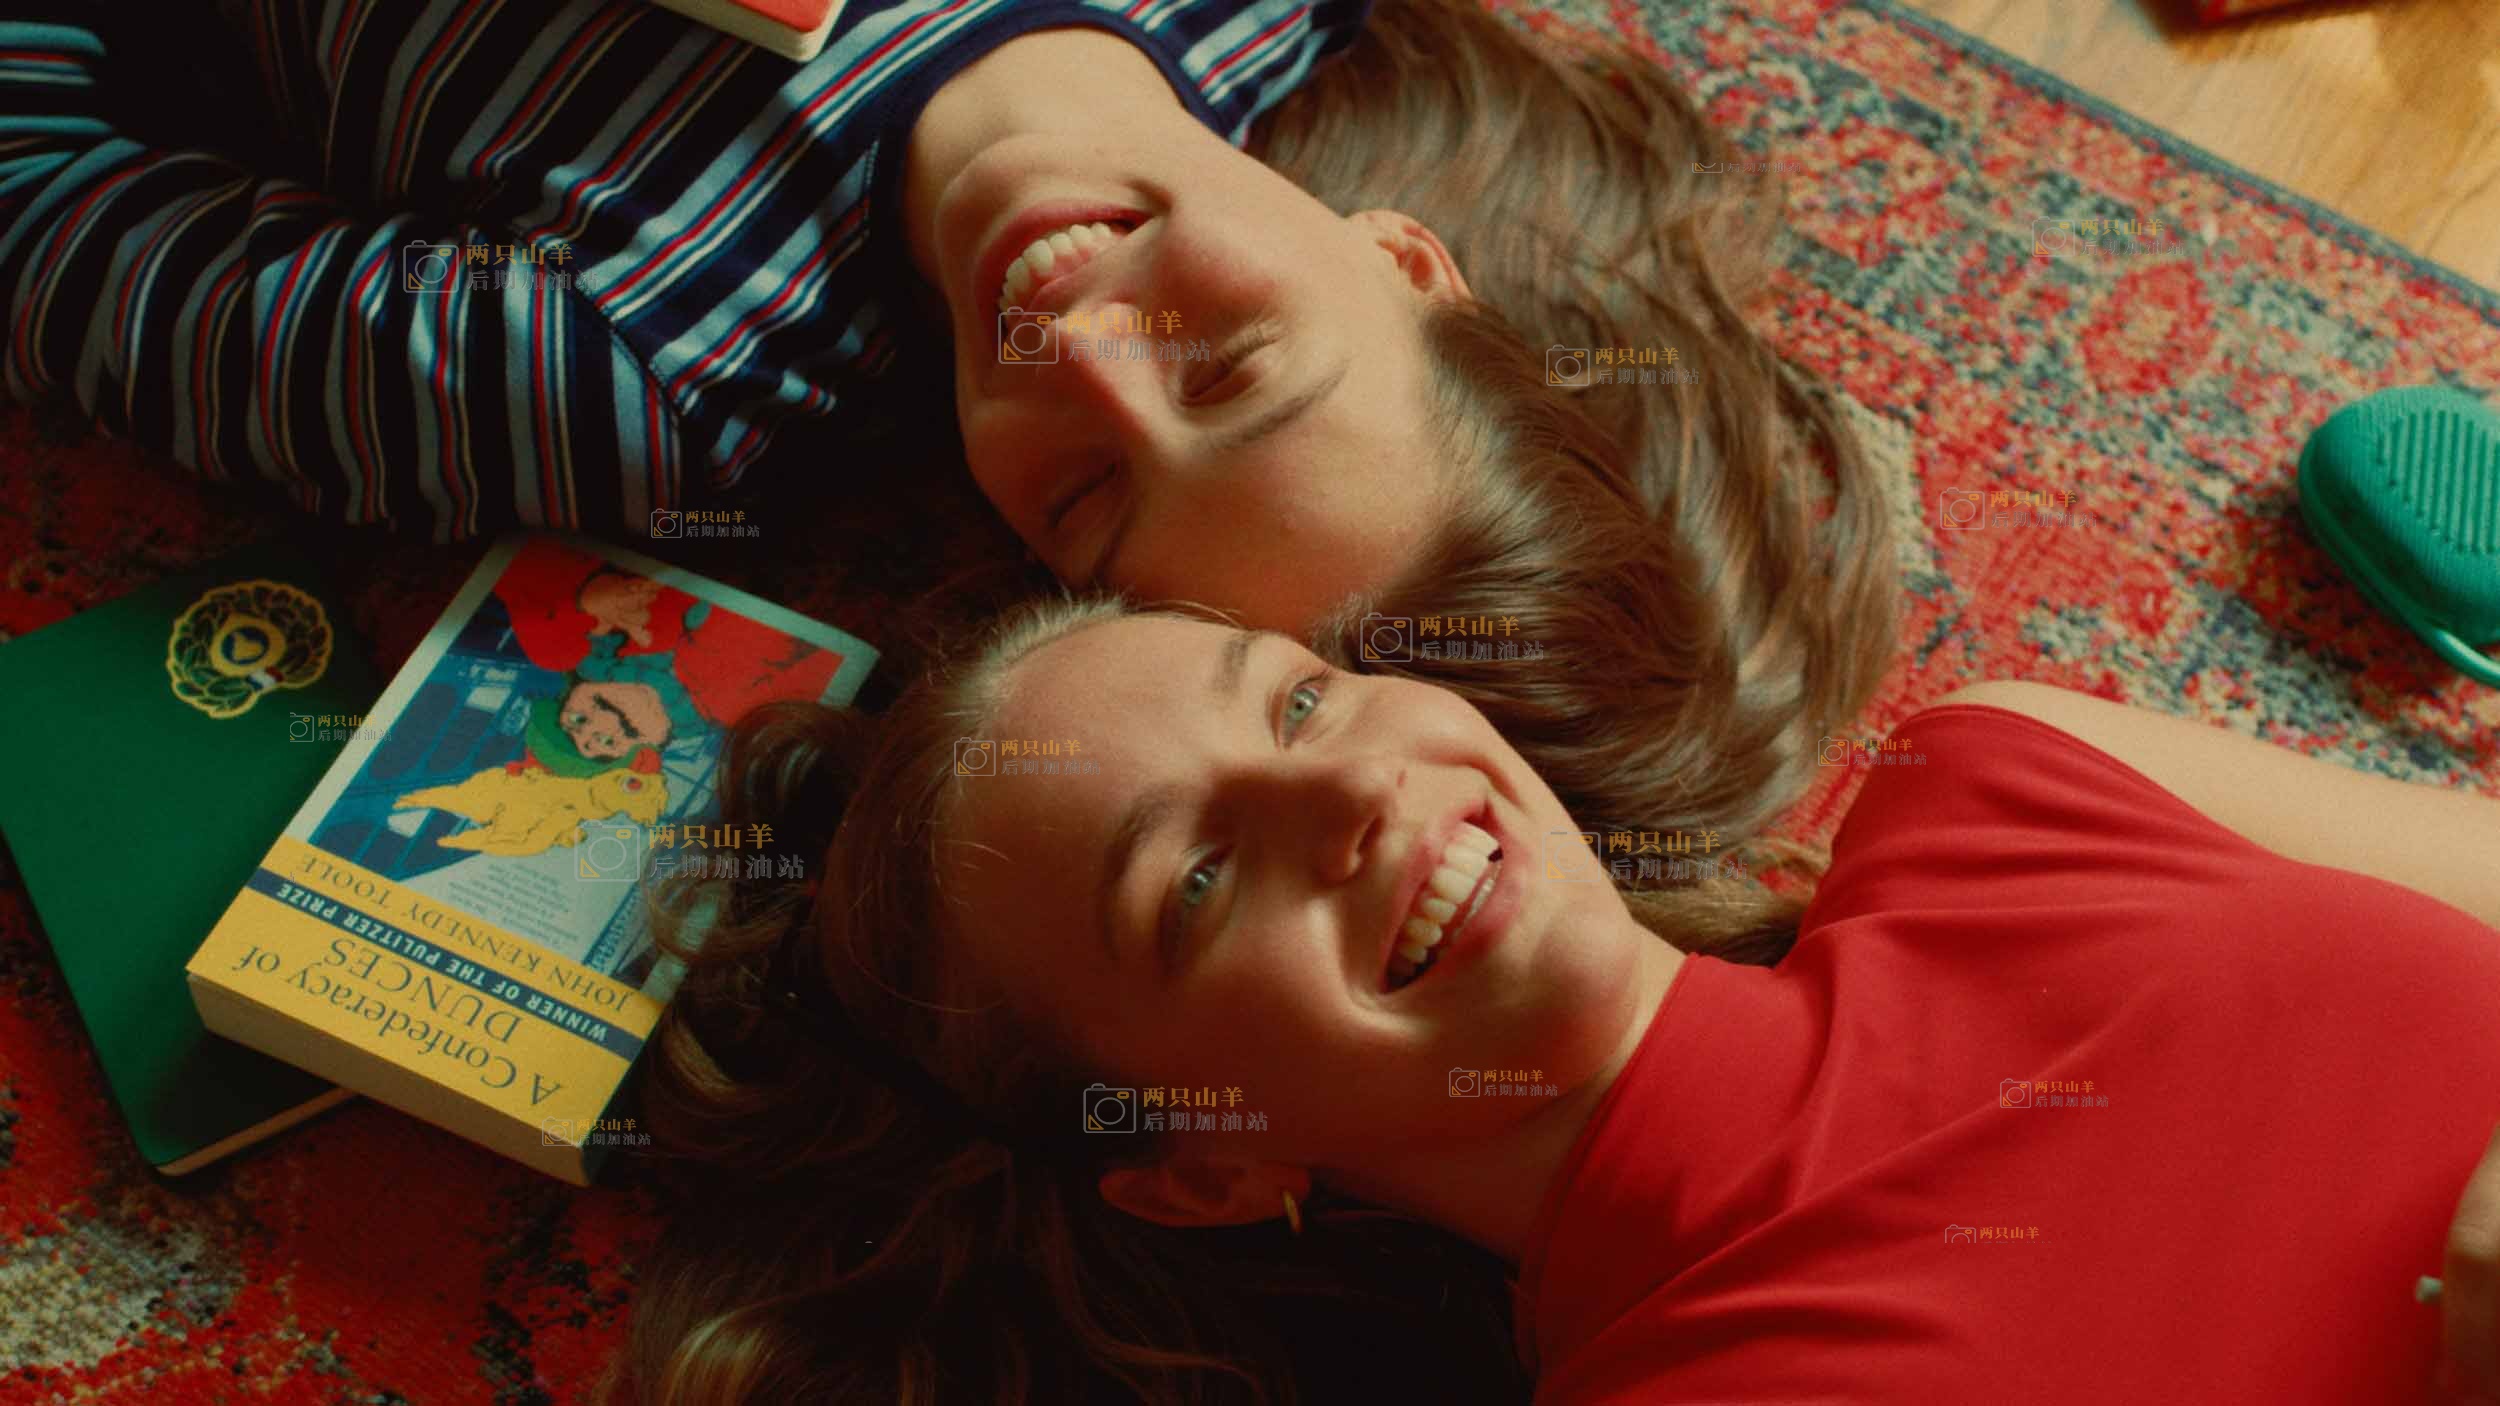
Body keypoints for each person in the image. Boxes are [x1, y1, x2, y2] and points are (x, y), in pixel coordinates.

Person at [0, 0, 1900, 853]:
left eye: (1084, 499)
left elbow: (36, 212)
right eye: (1236, 366)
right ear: (1408, 261)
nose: (1083, 355)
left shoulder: (620, 365)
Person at [606, 594, 2500, 1405]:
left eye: (1299, 698)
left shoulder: (2003, 768)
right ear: (1200, 1164)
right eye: (1193, 879)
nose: (1353, 792)